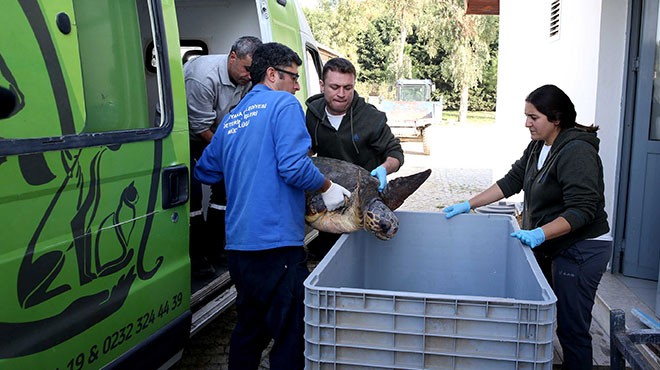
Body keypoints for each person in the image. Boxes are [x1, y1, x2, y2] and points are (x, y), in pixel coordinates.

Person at [194, 42, 351, 370]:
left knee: (249, 329)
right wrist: (328, 187)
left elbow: (206, 170)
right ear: (271, 74)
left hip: (238, 248)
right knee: (293, 333)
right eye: (293, 77)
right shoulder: (284, 104)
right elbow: (293, 166)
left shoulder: (234, 117)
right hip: (276, 245)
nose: (297, 86)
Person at [443, 84, 610, 370]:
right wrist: (467, 204)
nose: (527, 123)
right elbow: (511, 182)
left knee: (572, 328)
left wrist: (538, 233)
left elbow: (582, 210)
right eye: (526, 116)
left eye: (534, 117)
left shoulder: (577, 152)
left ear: (556, 118)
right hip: (552, 244)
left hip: (582, 248)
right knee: (536, 313)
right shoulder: (538, 146)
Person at [304, 57, 404, 258]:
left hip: (361, 199)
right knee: (330, 256)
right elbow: (308, 150)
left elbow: (395, 153)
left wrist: (384, 168)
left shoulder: (371, 118)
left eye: (348, 88)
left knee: (364, 255)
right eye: (335, 87)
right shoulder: (313, 114)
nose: (342, 94)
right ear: (322, 86)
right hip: (328, 196)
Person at [184, 36, 262, 275]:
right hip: (187, 136)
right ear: (232, 57)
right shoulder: (202, 77)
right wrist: (232, 150)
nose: (250, 76)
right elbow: (199, 128)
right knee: (192, 195)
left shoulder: (247, 77)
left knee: (226, 189)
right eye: (247, 69)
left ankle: (218, 249)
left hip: (217, 134)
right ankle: (195, 258)